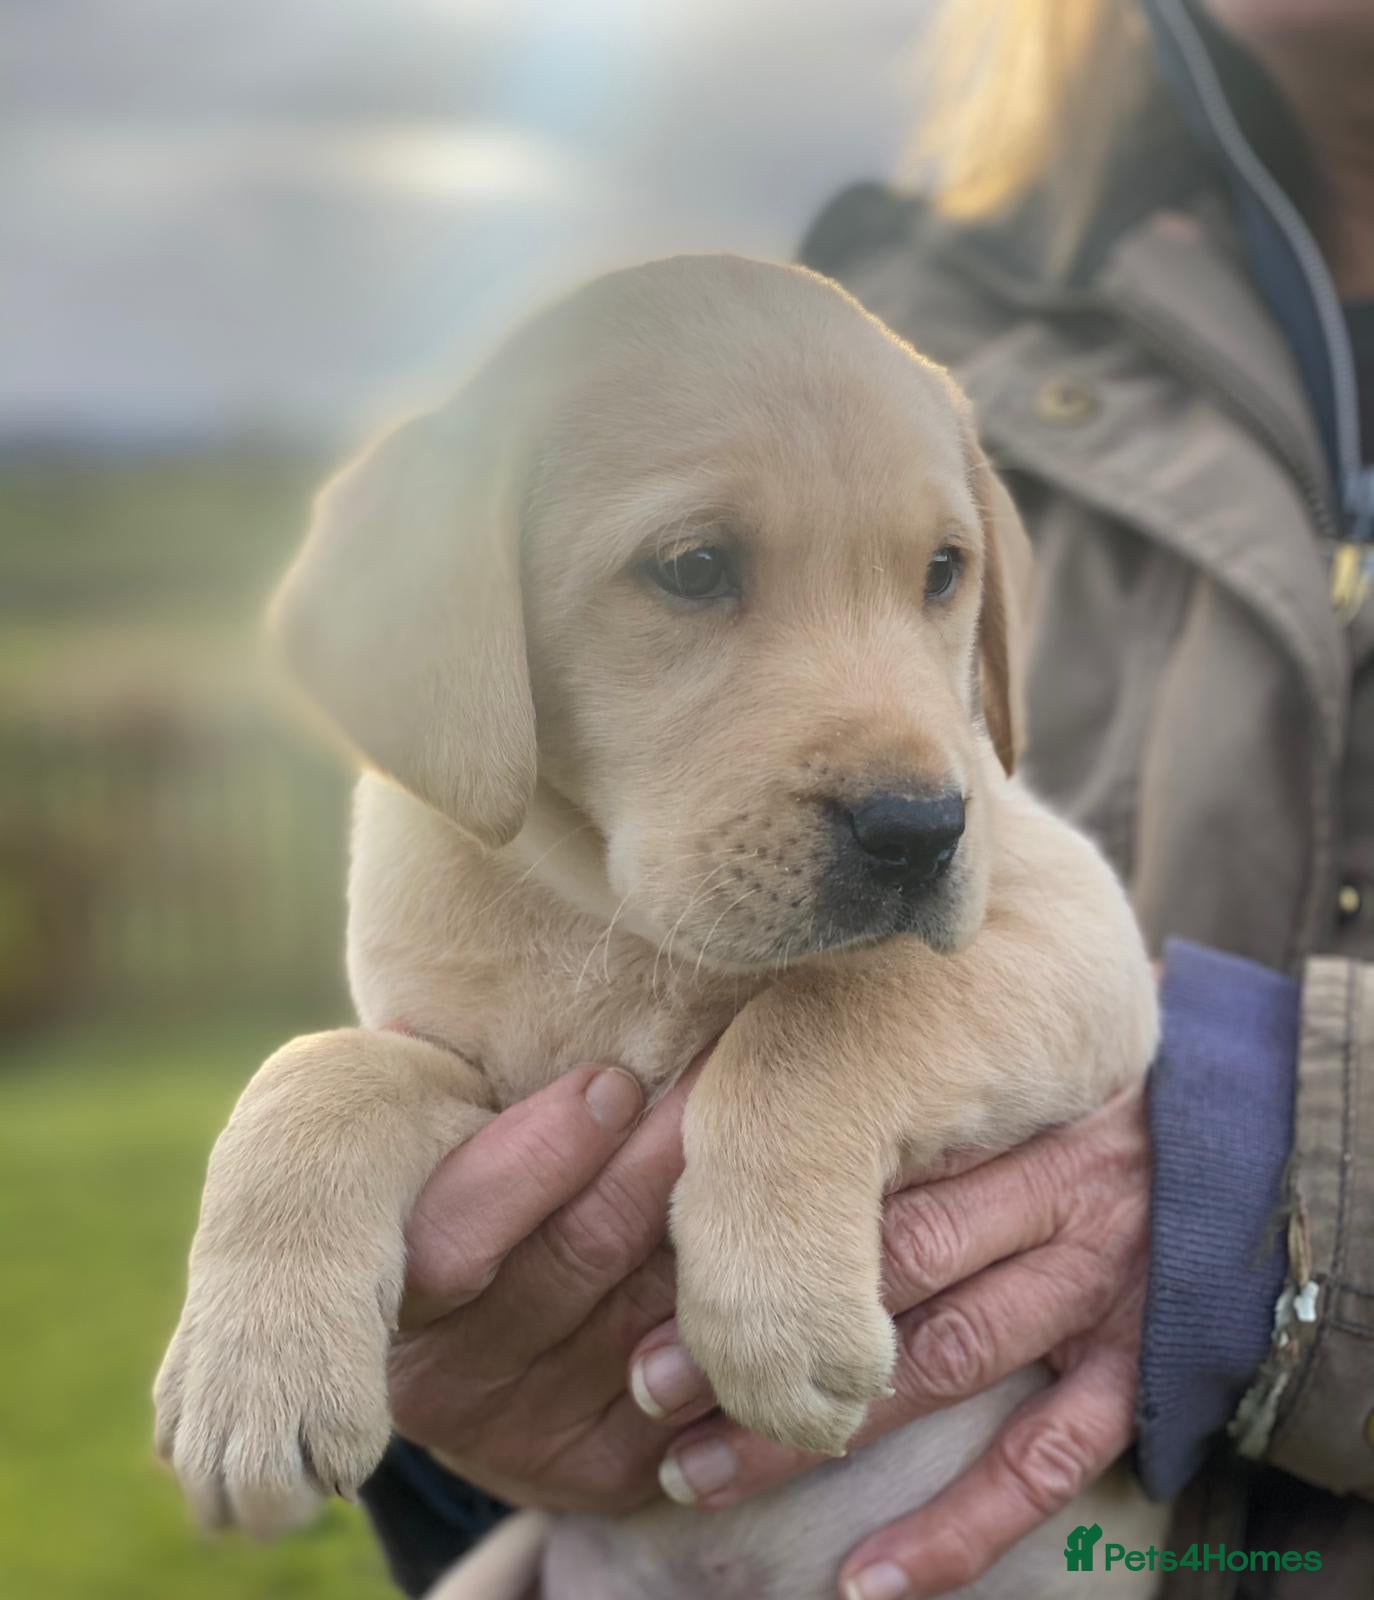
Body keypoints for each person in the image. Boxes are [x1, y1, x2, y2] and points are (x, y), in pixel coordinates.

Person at [360, 1, 1374, 1595]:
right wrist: (466, 1405)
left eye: (937, 581)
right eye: (698, 567)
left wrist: (1265, 1182)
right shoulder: (888, 328)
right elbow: (519, 1101)